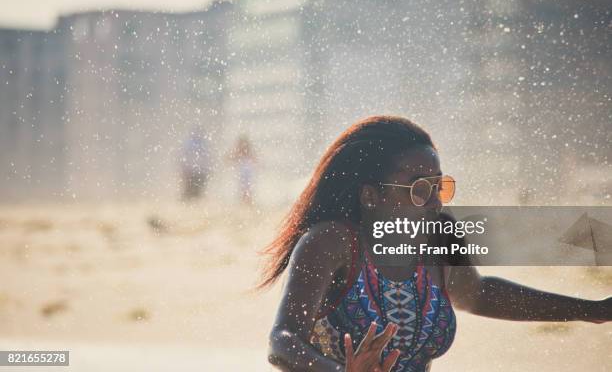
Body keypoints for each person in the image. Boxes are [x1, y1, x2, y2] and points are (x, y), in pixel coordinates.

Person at [259, 115, 611, 372]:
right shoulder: (331, 242)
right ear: (371, 196)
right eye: (419, 189)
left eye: (439, 186)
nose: (436, 202)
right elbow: (283, 342)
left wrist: (592, 311)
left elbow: (477, 294)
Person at [179, 129, 211, 201]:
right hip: (196, 170)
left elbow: (184, 156)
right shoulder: (202, 144)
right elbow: (207, 157)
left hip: (195, 169)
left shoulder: (190, 143)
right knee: (193, 188)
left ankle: (190, 202)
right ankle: (190, 202)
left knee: (193, 188)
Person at [227, 134, 257, 205]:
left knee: (246, 186)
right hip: (245, 170)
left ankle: (246, 201)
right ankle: (246, 201)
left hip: (246, 170)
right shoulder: (242, 150)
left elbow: (232, 158)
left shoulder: (244, 150)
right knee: (245, 186)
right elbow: (231, 158)